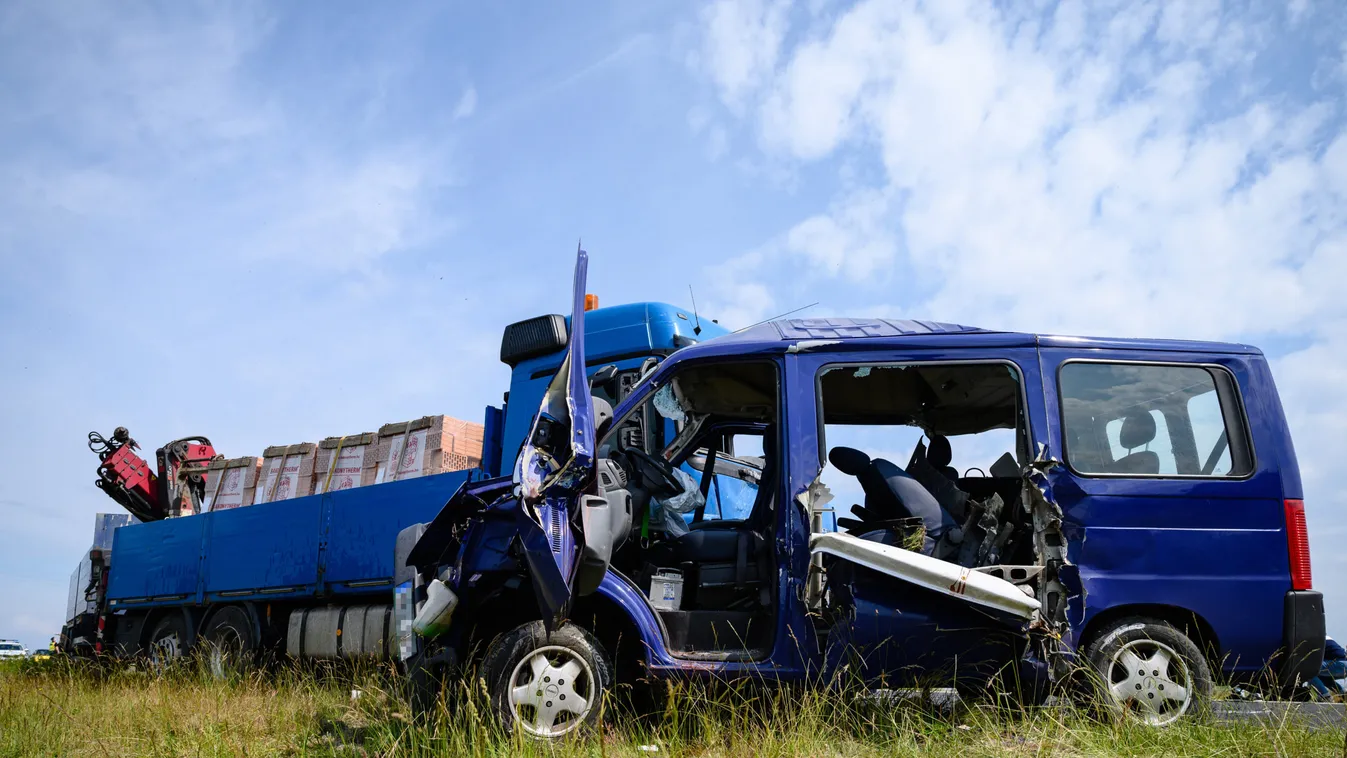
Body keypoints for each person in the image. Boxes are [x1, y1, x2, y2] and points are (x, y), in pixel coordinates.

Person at [1309, 634, 1345, 700]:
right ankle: (1343, 693)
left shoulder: (1316, 639)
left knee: (1307, 669)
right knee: (1321, 676)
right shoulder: (1325, 638)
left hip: (1339, 664)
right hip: (1342, 665)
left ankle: (1324, 695)